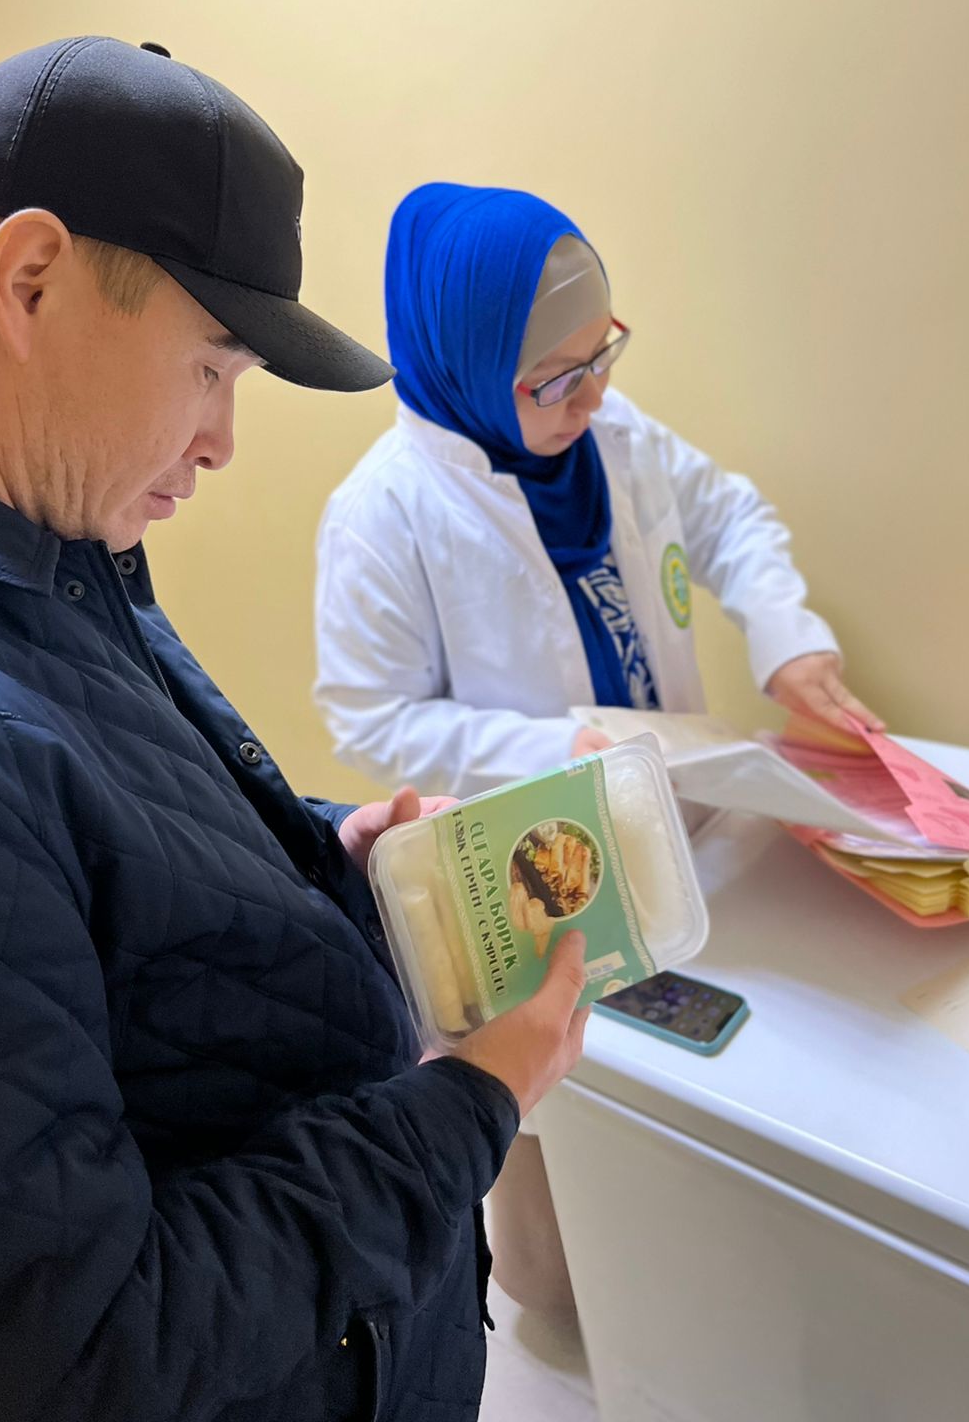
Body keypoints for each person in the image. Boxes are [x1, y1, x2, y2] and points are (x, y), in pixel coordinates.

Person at [0, 42, 590, 1422]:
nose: (221, 442)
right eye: (212, 368)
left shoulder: (34, 554)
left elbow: (94, 854)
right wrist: (469, 1102)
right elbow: (80, 1362)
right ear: (31, 280)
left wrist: (327, 854)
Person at [313, 181, 881, 1311]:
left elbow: (729, 517)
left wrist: (787, 641)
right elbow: (371, 714)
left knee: (703, 1104)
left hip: (684, 814)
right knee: (559, 1226)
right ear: (469, 364)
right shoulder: (385, 515)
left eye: (602, 354)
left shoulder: (614, 438)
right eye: (557, 377)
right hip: (535, 870)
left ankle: (698, 1298)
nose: (596, 394)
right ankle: (588, 1309)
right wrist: (553, 746)